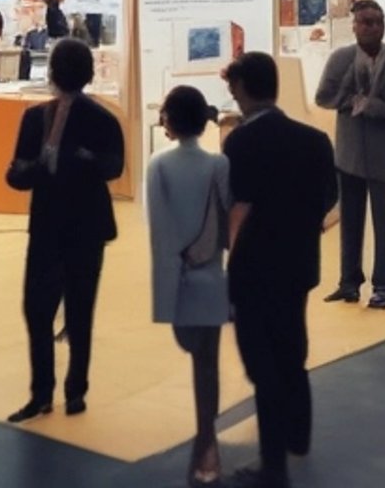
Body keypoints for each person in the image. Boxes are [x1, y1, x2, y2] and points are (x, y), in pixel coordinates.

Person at [221, 51, 338, 488]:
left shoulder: (240, 142)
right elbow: (329, 198)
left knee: (262, 364)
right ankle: (298, 435)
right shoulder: (314, 140)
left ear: (243, 88)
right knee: (292, 349)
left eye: (234, 86)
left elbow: (235, 203)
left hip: (254, 265)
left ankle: (272, 464)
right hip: (299, 259)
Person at [5, 36, 126, 422]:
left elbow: (16, 175)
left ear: (53, 71)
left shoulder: (62, 118)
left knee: (48, 309)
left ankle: (47, 392)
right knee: (74, 309)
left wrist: (47, 167)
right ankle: (72, 391)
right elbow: (113, 168)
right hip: (77, 225)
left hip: (58, 224)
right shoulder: (101, 118)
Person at [145, 85, 233, 488]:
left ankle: (206, 443)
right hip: (212, 276)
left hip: (178, 278)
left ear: (170, 120)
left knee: (196, 356)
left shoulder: (158, 165)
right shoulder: (219, 164)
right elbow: (228, 224)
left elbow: (160, 236)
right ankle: (207, 442)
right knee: (208, 365)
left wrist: (164, 296)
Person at [312, 0, 385, 309]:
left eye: (378, 22)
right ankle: (349, 282)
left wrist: (374, 107)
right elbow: (323, 97)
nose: (373, 28)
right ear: (354, 26)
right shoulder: (341, 59)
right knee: (350, 221)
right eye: (366, 22)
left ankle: (383, 286)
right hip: (349, 155)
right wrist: (350, 100)